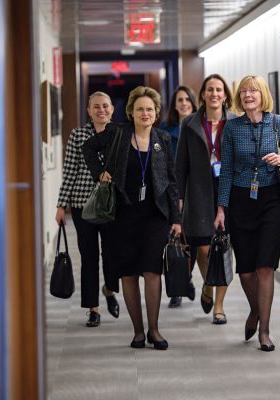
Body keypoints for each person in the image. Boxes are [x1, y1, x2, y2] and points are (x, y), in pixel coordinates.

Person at [83, 86, 181, 350]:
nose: (145, 113)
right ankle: (138, 332)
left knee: (152, 271)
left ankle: (154, 330)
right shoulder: (117, 134)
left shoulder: (163, 139)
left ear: (156, 112)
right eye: (140, 109)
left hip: (154, 215)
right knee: (128, 273)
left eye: (150, 109)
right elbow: (88, 148)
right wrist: (99, 173)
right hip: (123, 214)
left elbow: (171, 182)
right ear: (131, 112)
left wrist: (176, 218)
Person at [214, 75, 280, 351]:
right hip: (241, 201)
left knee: (266, 267)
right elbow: (226, 170)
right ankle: (255, 310)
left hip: (271, 201)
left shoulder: (278, 123)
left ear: (263, 94)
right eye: (243, 91)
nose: (248, 95)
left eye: (253, 90)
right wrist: (221, 208)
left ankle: (264, 330)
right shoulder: (230, 127)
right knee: (246, 270)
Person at [176, 74, 238, 324]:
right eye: (209, 89)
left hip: (228, 190)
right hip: (198, 192)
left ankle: (219, 306)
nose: (214, 94)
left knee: (223, 247)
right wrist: (179, 198)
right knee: (202, 248)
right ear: (202, 94)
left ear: (225, 95)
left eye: (219, 90)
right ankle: (208, 286)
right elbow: (181, 165)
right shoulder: (190, 124)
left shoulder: (235, 123)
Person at [55, 91, 120, 328]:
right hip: (83, 205)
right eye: (96, 107)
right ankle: (93, 308)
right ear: (88, 111)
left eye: (105, 106)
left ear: (112, 109)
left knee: (113, 254)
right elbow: (70, 170)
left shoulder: (120, 134)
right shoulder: (77, 135)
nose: (101, 110)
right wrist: (62, 205)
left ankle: (109, 290)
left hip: (113, 205)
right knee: (89, 257)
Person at [160, 85, 198, 308]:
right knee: (172, 240)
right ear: (174, 105)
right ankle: (176, 288)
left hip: (194, 192)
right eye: (179, 100)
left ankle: (186, 279)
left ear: (193, 103)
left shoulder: (199, 127)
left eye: (187, 99)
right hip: (172, 192)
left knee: (191, 241)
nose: (183, 103)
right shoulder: (165, 129)